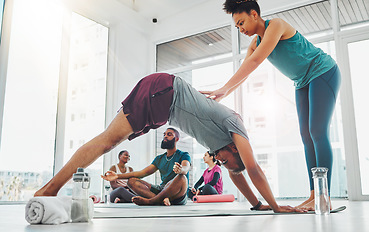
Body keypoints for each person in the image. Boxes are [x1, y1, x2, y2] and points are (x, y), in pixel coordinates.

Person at [35, 72, 303, 213]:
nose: (219, 161)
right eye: (226, 160)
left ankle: (50, 189)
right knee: (106, 142)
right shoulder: (236, 124)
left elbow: (239, 173)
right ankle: (49, 190)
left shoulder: (226, 146)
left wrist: (257, 204)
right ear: (235, 147)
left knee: (107, 140)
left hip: (162, 102)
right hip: (163, 92)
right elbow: (252, 168)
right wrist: (277, 206)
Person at [200, 0, 341, 210]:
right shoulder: (254, 43)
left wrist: (224, 88)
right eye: (237, 26)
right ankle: (314, 195)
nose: (240, 29)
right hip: (302, 81)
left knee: (317, 131)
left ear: (254, 14)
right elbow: (245, 72)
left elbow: (257, 60)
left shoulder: (276, 25)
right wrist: (223, 91)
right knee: (306, 135)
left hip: (323, 71)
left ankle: (325, 196)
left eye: (241, 22)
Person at [102, 127, 191, 206]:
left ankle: (151, 201)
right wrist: (117, 176)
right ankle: (161, 200)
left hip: (177, 194)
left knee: (182, 178)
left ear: (177, 139)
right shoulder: (159, 158)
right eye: (164, 134)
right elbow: (142, 173)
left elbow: (185, 168)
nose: (165, 136)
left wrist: (181, 170)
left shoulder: (183, 155)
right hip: (162, 189)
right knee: (131, 181)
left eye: (169, 134)